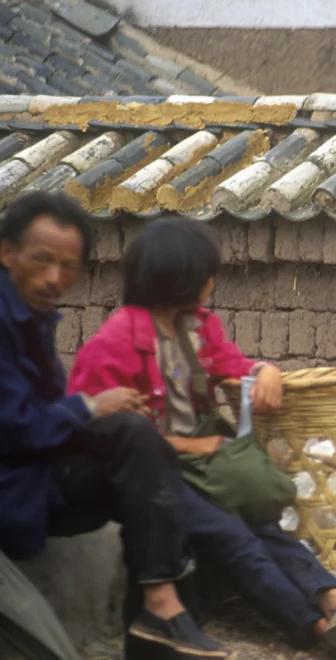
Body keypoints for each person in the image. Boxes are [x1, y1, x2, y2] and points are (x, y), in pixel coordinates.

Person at [68, 218, 336, 660]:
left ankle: (335, 600)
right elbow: (105, 439)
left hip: (205, 468)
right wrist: (191, 447)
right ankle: (321, 630)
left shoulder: (197, 327)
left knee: (267, 528)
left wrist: (264, 371)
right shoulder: (113, 343)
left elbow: (234, 363)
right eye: (207, 271)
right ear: (182, 276)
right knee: (233, 536)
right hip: (154, 476)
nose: (212, 281)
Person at [0, 192, 229, 658]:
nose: (54, 278)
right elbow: (12, 426)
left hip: (31, 476)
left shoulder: (30, 317)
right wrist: (87, 408)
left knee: (142, 456)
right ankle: (163, 612)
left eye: (68, 267)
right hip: (12, 485)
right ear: (7, 252)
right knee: (134, 440)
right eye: (42, 260)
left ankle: (160, 614)